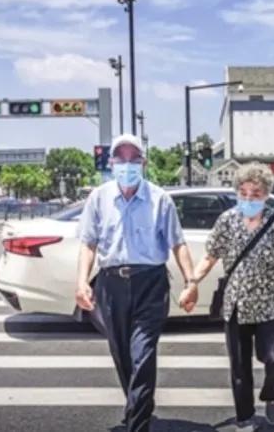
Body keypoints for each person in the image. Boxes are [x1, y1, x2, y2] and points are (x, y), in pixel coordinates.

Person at [75, 134, 196, 432]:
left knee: (142, 354)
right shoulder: (99, 198)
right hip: (111, 285)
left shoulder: (160, 199)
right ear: (112, 162)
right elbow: (88, 244)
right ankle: (138, 405)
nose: (127, 165)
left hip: (150, 284)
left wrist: (190, 282)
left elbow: (178, 244)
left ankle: (138, 424)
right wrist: (81, 282)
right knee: (122, 354)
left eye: (134, 159)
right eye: (121, 159)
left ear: (143, 163)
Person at [178, 162, 274, 431]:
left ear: (266, 194)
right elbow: (210, 257)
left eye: (255, 193)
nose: (248, 198)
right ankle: (244, 417)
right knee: (239, 367)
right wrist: (192, 283)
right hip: (236, 304)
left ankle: (270, 392)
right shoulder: (227, 220)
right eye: (244, 192)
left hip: (272, 304)